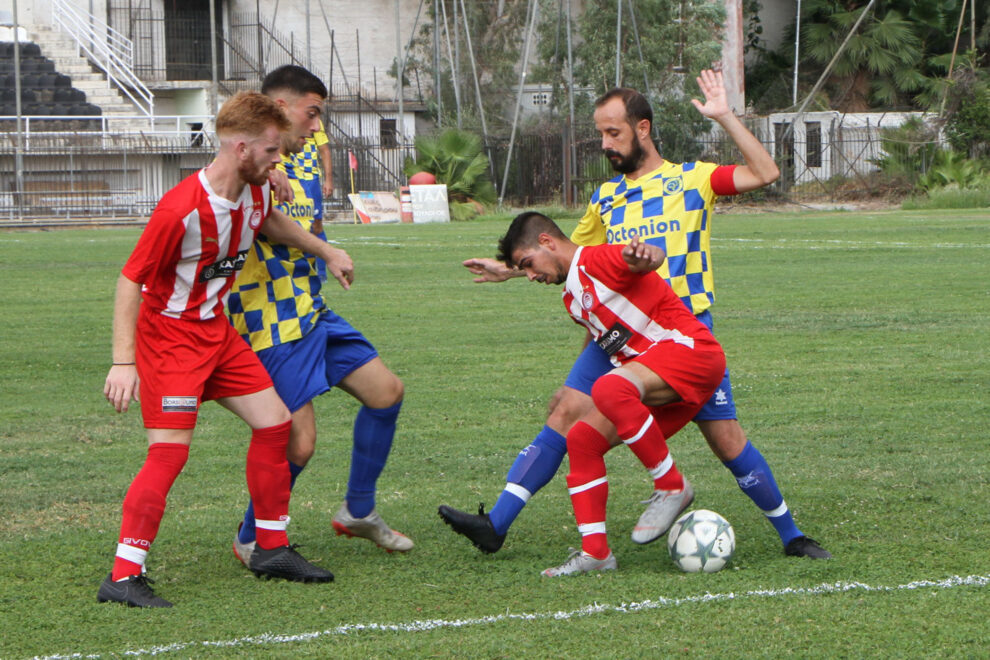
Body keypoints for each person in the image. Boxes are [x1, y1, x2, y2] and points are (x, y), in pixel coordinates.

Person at [439, 69, 830, 560]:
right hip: (619, 336)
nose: (604, 143)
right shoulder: (605, 199)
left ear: (642, 129)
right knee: (564, 410)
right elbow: (571, 261)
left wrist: (725, 115)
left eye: (613, 132)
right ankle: (495, 523)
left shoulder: (693, 178)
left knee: (727, 438)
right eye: (600, 133)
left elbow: (766, 173)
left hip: (680, 335)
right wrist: (513, 271)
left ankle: (791, 535)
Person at [99, 91, 346, 608]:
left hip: (217, 332)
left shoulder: (254, 190)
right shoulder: (180, 210)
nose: (280, 161)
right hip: (169, 340)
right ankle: (123, 577)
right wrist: (124, 362)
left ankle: (270, 549)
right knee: (169, 454)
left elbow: (268, 221)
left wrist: (324, 248)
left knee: (276, 423)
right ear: (240, 148)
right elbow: (130, 280)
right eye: (273, 152)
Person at [227, 65, 412, 569]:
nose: (315, 126)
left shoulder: (302, 152)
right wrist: (325, 250)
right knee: (299, 442)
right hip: (271, 320)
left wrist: (324, 251)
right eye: (312, 114)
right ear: (280, 109)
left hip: (312, 309)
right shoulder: (246, 158)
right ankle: (251, 537)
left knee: (386, 392)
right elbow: (262, 219)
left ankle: (358, 509)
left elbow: (307, 218)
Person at [497, 212, 727, 576]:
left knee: (609, 386)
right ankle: (597, 554)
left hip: (692, 353)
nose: (530, 276)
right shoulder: (573, 300)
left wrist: (648, 256)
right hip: (659, 381)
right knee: (582, 440)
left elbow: (641, 258)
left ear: (547, 242)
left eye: (528, 264)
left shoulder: (599, 259)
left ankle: (671, 485)